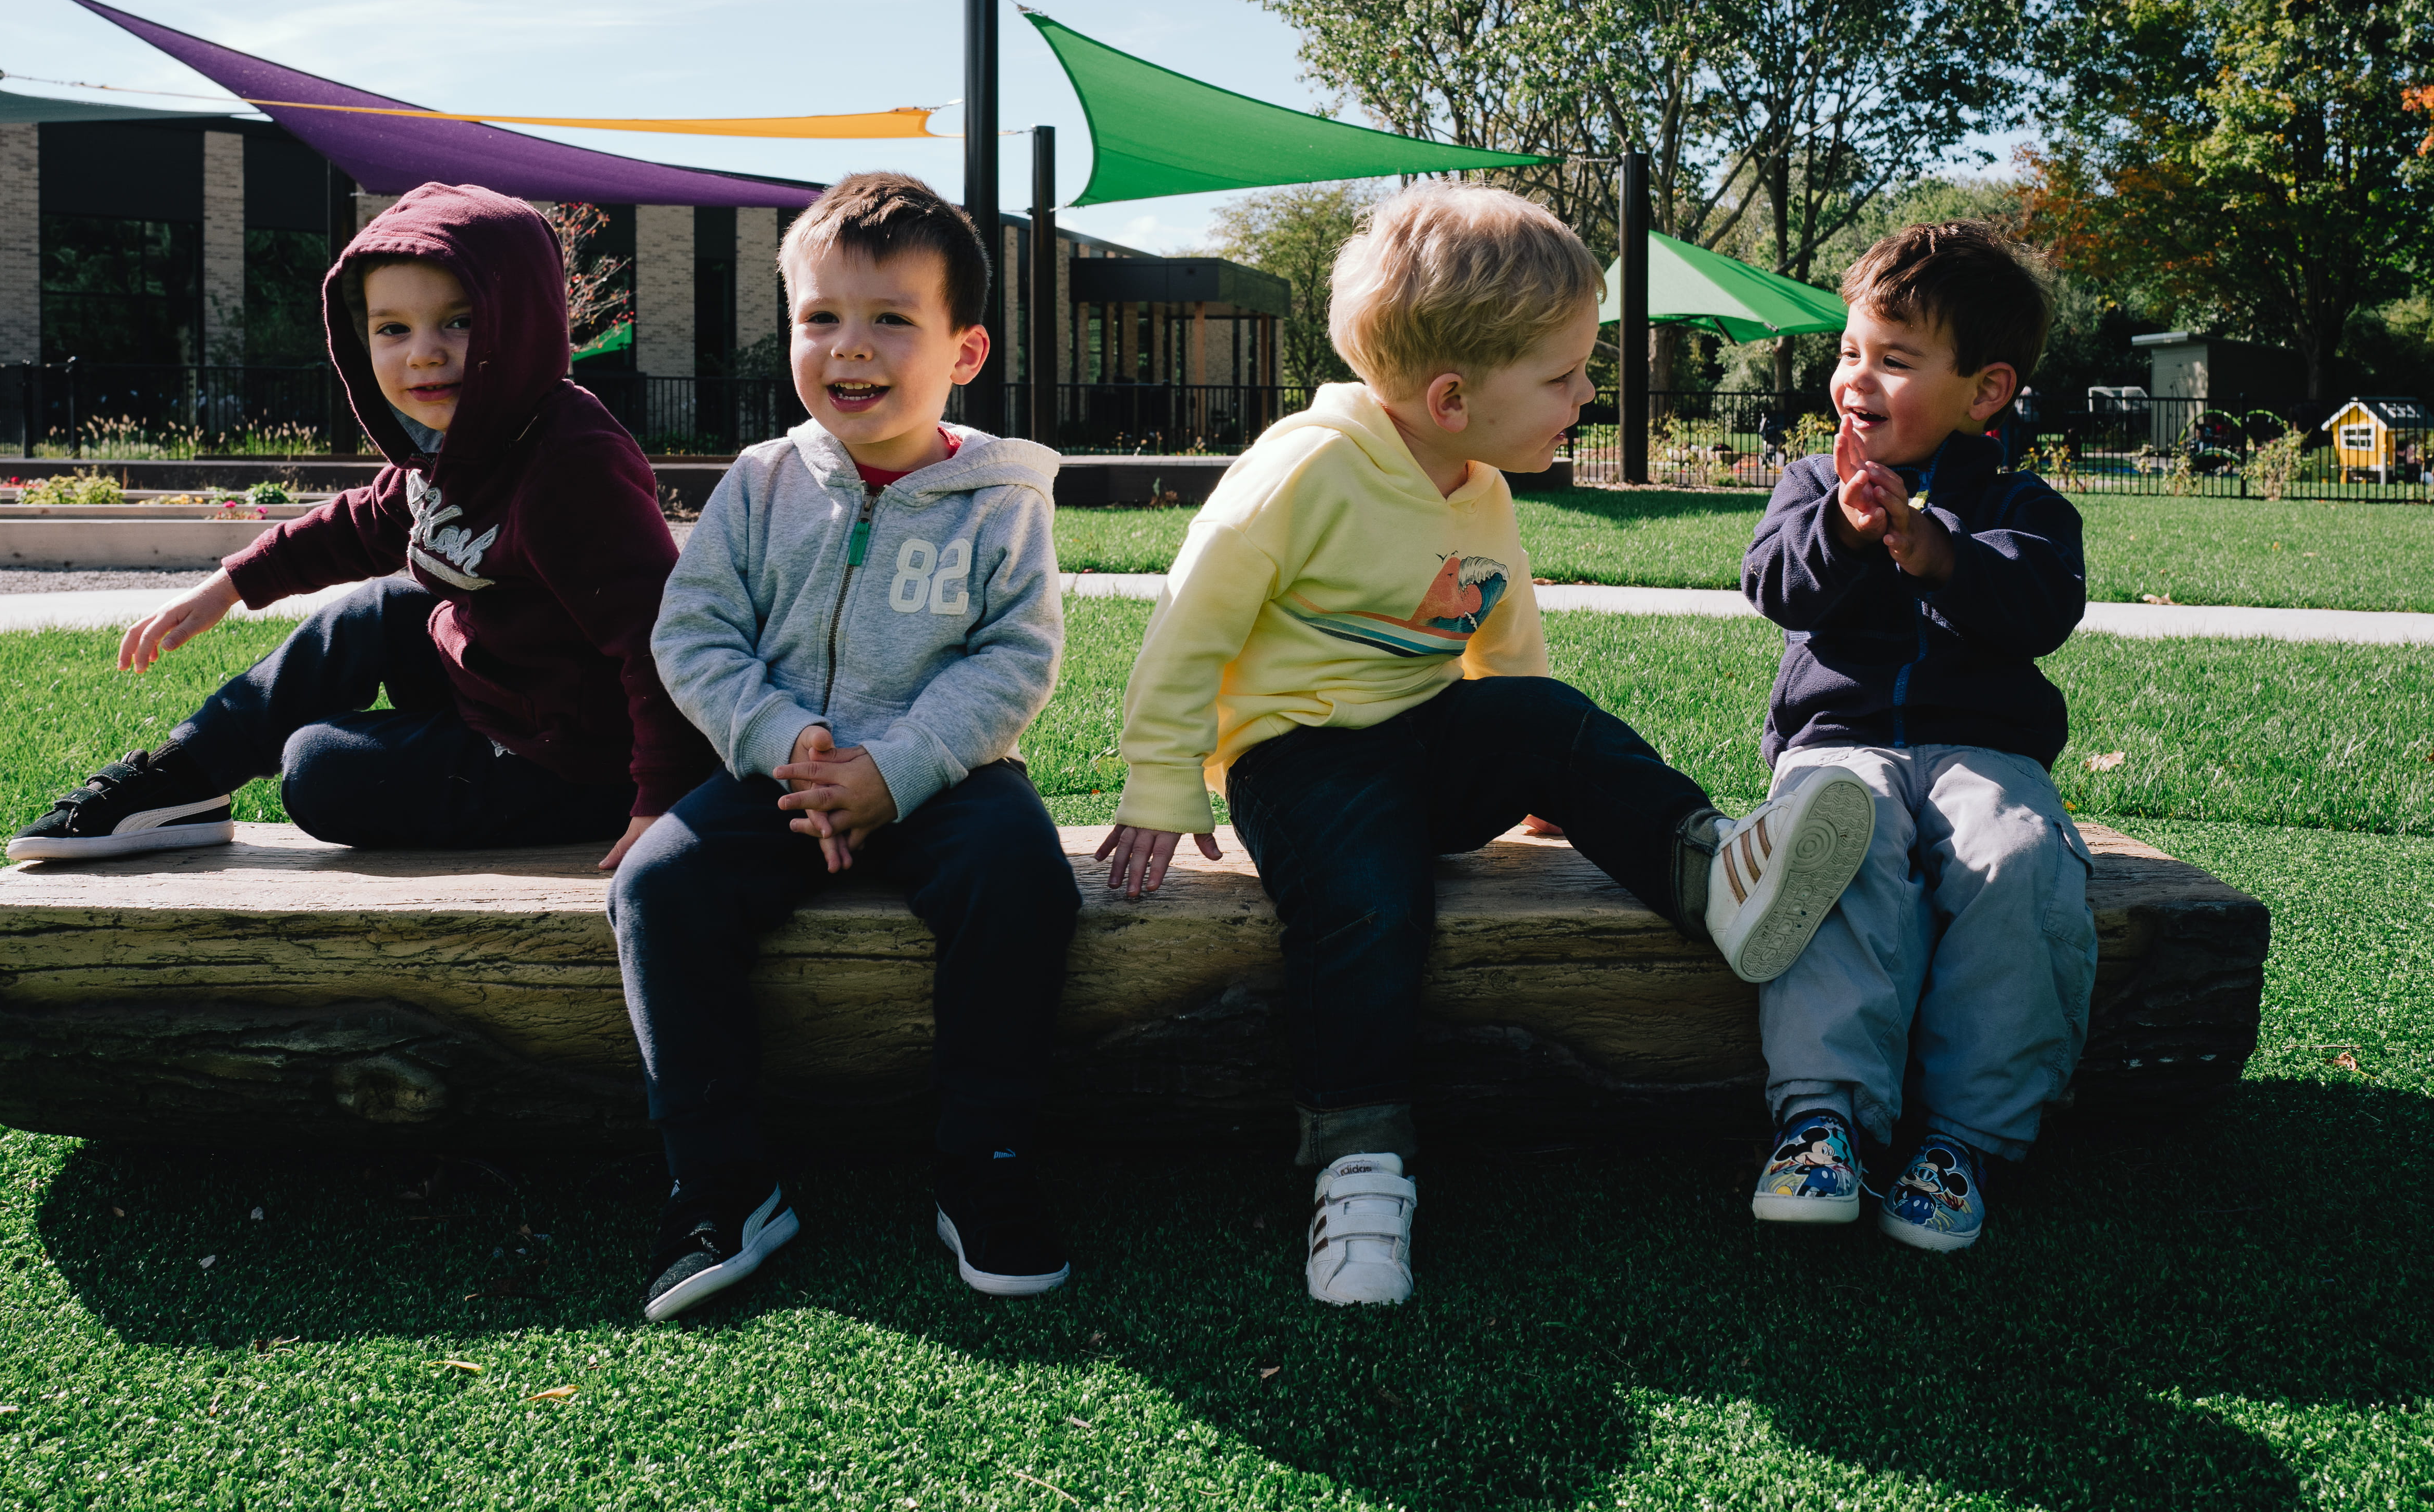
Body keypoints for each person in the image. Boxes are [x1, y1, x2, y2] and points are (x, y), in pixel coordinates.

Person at [1096, 183, 1875, 1307]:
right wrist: (1162, 778)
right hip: (1302, 759)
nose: (1587, 393)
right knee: (1370, 901)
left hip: (1422, 742)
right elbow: (1191, 621)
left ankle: (1710, 869)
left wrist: (1545, 778)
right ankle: (1358, 1157)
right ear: (1452, 395)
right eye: (1562, 377)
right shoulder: (1309, 468)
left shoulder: (1480, 489)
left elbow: (1504, 657)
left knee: (1552, 717)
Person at [613, 171, 1077, 1321]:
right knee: (660, 884)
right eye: (820, 318)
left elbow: (1014, 658)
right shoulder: (763, 482)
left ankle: (988, 1163)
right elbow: (696, 630)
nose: (848, 349)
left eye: (889, 321)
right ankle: (722, 1182)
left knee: (1021, 877)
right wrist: (782, 742)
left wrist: (898, 769)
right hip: (781, 772)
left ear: (963, 352)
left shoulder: (1000, 496)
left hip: (945, 775)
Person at [7, 182, 710, 869]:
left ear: (522, 322)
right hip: (507, 691)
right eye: (393, 329)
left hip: (578, 763)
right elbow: (359, 523)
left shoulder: (572, 465)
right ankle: (180, 780)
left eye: (460, 321)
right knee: (382, 609)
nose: (423, 352)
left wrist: (664, 800)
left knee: (317, 766)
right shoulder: (453, 445)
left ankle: (378, 761)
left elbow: (660, 637)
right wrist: (226, 585)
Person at [1740, 220, 2091, 1254]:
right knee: (1832, 840)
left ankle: (1965, 1139)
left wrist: (1937, 552)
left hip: (1983, 750)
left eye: (1894, 361)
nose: (1856, 378)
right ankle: (1822, 1116)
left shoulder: (2023, 507)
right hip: (1839, 738)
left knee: (2016, 855)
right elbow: (1773, 586)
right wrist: (1848, 533)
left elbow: (2038, 610)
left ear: (1985, 391)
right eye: (1851, 352)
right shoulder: (1811, 485)